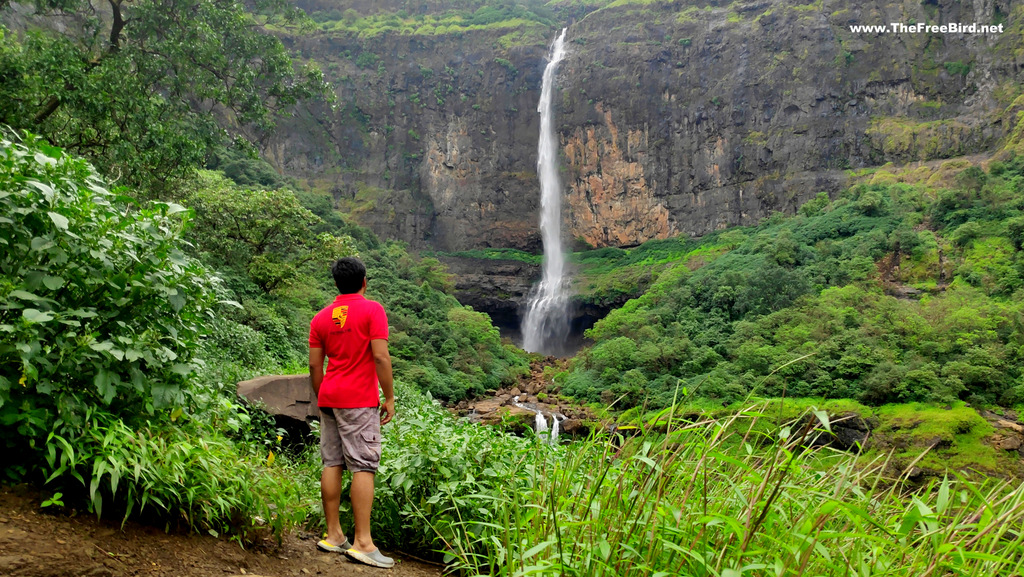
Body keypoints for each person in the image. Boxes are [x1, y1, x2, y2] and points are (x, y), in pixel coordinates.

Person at [308, 257, 396, 569]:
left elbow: (315, 366)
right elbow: (381, 357)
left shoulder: (320, 318)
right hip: (359, 399)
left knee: (332, 461)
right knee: (363, 465)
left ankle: (333, 535)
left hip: (330, 396)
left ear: (336, 284)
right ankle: (363, 542)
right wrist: (389, 397)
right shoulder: (373, 310)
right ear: (364, 282)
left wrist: (322, 396)